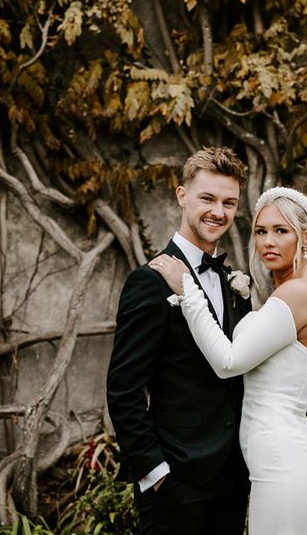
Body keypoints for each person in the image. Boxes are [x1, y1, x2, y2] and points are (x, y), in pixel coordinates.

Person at [149, 186, 307, 535]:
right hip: (278, 461)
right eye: (261, 231)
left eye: (281, 231)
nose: (268, 242)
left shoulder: (298, 293)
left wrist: (188, 291)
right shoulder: (289, 291)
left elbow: (228, 362)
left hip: (283, 463)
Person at [106, 146, 251, 535]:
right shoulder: (149, 282)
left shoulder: (233, 282)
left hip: (232, 481)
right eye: (207, 198)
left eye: (229, 202)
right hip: (175, 484)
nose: (218, 212)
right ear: (182, 195)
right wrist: (155, 472)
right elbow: (123, 387)